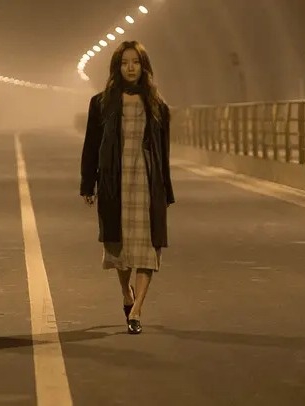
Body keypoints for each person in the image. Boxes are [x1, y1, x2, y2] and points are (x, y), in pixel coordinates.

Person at [79, 41, 174, 335]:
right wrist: (88, 184)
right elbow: (91, 145)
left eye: (135, 62)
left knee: (148, 248)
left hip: (147, 183)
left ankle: (136, 311)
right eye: (124, 63)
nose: (130, 68)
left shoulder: (158, 106)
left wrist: (166, 189)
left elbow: (163, 152)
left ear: (144, 67)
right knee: (119, 247)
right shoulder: (101, 103)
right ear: (117, 68)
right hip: (115, 182)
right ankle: (126, 292)